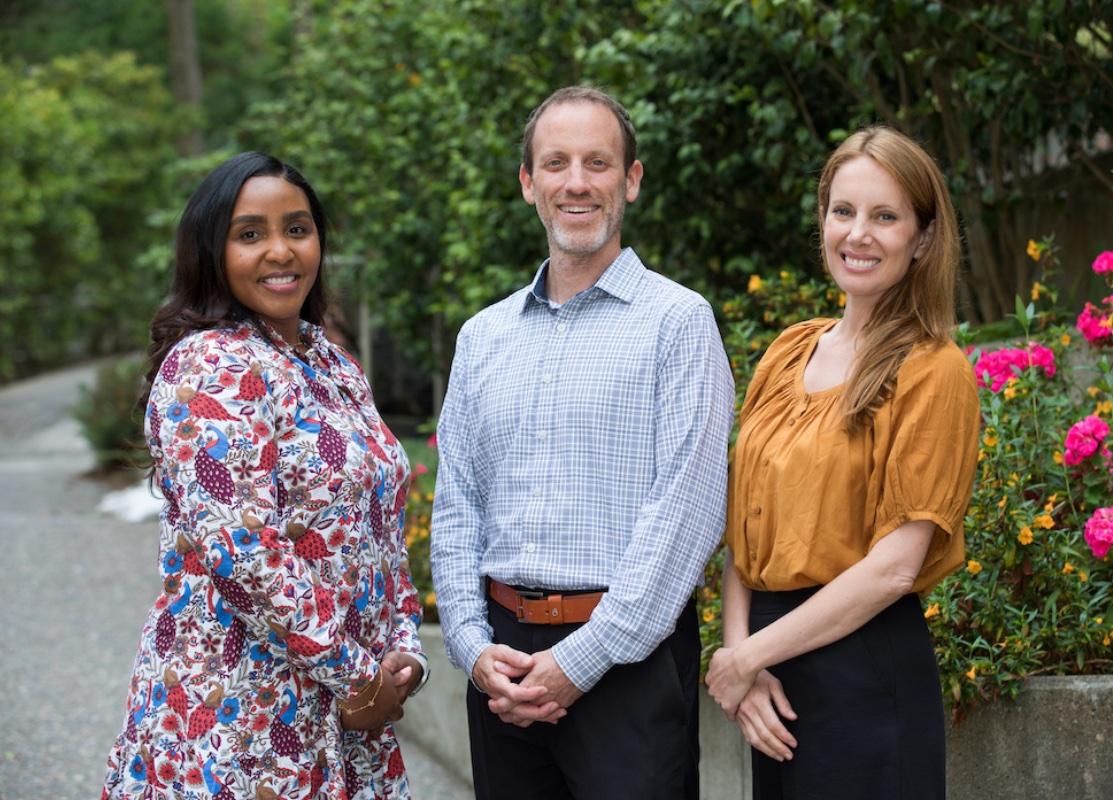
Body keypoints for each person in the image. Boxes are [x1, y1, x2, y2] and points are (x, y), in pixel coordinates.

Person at [430, 86, 734, 799]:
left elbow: (686, 515)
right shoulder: (483, 337)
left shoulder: (678, 324)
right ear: (528, 184)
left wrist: (581, 661)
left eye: (597, 162)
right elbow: (456, 506)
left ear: (630, 179)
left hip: (629, 661)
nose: (576, 182)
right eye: (556, 162)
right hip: (502, 665)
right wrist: (473, 649)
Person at [102, 152, 428, 799]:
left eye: (297, 229)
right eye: (251, 234)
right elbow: (243, 550)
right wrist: (357, 676)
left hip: (346, 713)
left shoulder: (329, 361)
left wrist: (404, 651)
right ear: (211, 252)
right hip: (238, 716)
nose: (280, 251)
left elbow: (382, 523)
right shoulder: (210, 366)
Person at [705, 126, 980, 800]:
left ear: (921, 239)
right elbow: (743, 527)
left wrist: (744, 659)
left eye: (885, 216)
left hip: (865, 675)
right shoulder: (788, 351)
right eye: (843, 211)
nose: (858, 234)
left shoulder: (933, 371)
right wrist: (742, 663)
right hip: (770, 681)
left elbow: (893, 569)